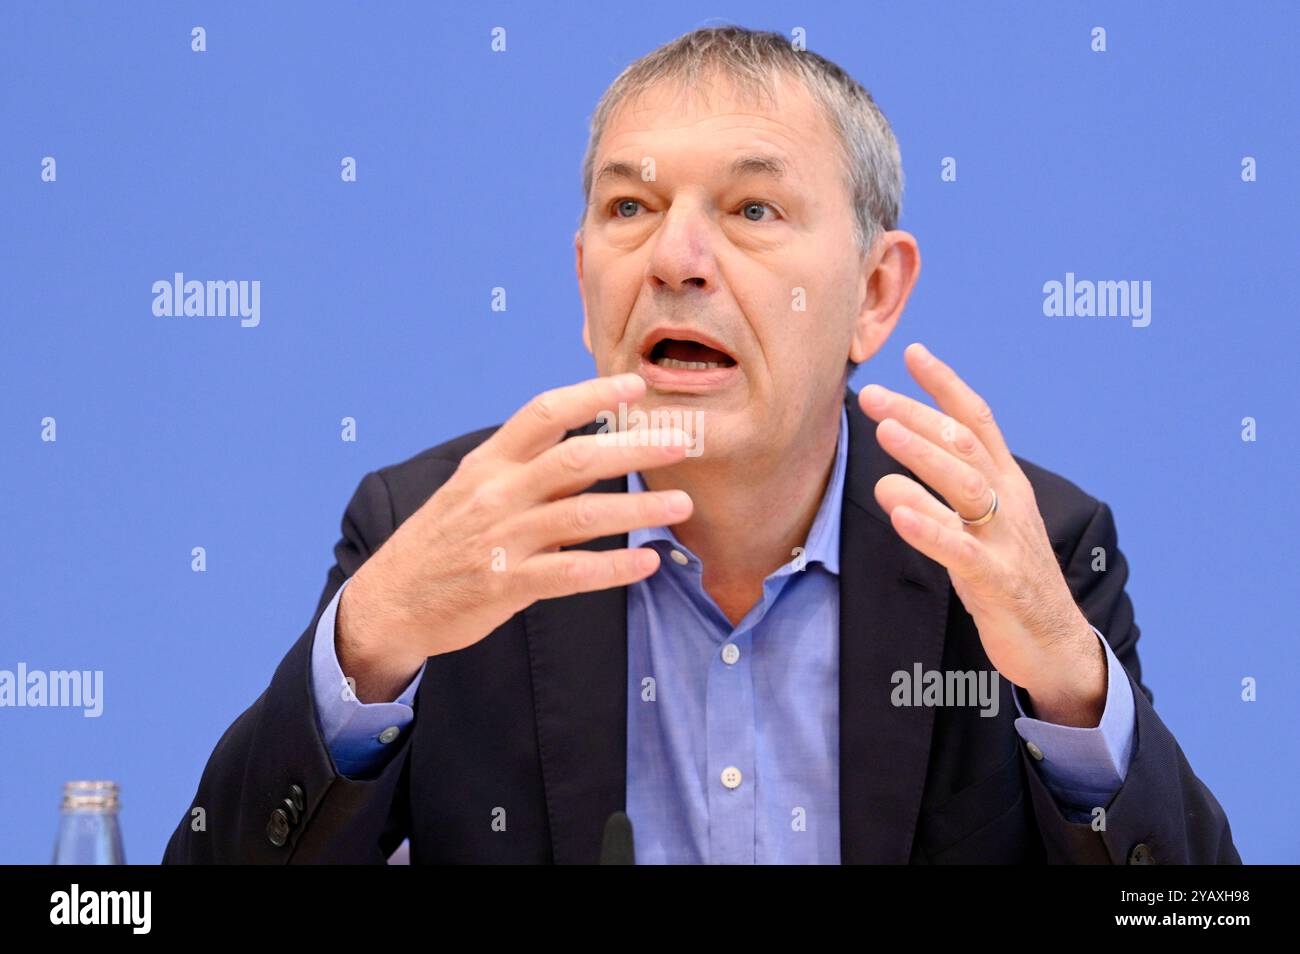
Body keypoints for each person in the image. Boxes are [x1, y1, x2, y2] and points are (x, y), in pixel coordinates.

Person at [164, 26, 1239, 864]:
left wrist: (1065, 684)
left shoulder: (1021, 549)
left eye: (753, 210)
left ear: (873, 292)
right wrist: (370, 643)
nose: (675, 255)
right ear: (583, 272)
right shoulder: (431, 534)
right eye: (628, 206)